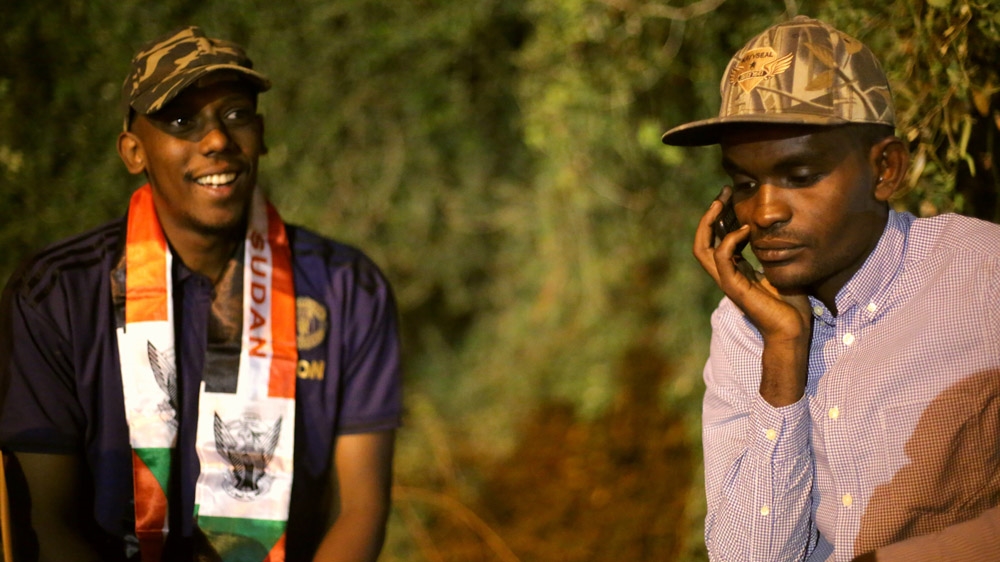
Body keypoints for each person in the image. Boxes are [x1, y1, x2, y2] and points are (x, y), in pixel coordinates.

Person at [0, 26, 402, 561]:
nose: (216, 140)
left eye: (235, 114)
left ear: (262, 134)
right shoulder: (56, 295)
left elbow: (361, 508)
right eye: (181, 122)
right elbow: (43, 523)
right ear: (134, 152)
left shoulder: (347, 288)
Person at [662, 15, 1000, 562]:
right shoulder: (743, 327)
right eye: (745, 183)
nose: (764, 212)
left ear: (885, 170)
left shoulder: (982, 276)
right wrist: (784, 353)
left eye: (799, 177)